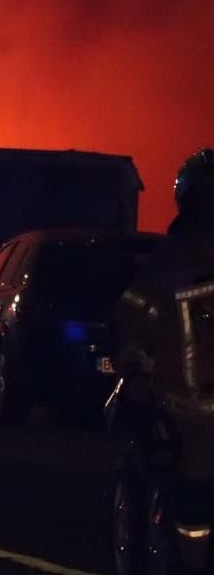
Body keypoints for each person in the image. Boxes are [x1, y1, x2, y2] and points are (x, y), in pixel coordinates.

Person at [114, 148, 214, 571]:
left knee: (188, 523)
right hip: (191, 426)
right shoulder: (167, 264)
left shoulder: (165, 265)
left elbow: (129, 327)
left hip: (190, 428)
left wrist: (134, 371)